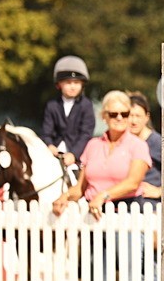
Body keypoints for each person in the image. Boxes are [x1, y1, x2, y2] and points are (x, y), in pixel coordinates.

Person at [52, 90, 152, 221]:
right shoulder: (93, 145)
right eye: (113, 114)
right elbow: (80, 188)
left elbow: (133, 183)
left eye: (125, 114)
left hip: (127, 215)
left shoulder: (138, 145)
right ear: (104, 116)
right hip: (93, 215)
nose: (119, 118)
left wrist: (103, 196)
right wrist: (65, 196)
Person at [40, 55, 95, 183]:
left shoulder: (86, 105)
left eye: (76, 83)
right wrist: (49, 145)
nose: (72, 86)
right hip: (54, 154)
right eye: (68, 82)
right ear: (59, 84)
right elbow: (46, 132)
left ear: (82, 84)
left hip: (78, 156)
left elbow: (86, 134)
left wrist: (74, 154)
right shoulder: (52, 105)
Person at [127, 91, 162, 208]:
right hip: (125, 206)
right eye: (129, 116)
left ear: (146, 117)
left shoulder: (156, 142)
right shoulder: (123, 142)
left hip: (149, 208)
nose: (133, 121)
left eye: (138, 116)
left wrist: (160, 191)